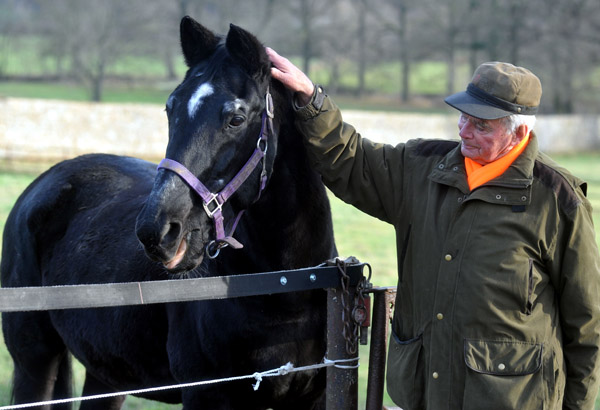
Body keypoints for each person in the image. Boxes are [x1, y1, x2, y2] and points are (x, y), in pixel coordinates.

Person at [267, 47, 600, 410]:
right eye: (463, 117)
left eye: (481, 125)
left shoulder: (558, 199)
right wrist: (311, 102)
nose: (464, 130)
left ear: (518, 130)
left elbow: (587, 322)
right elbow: (351, 161)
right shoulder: (421, 167)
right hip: (423, 394)